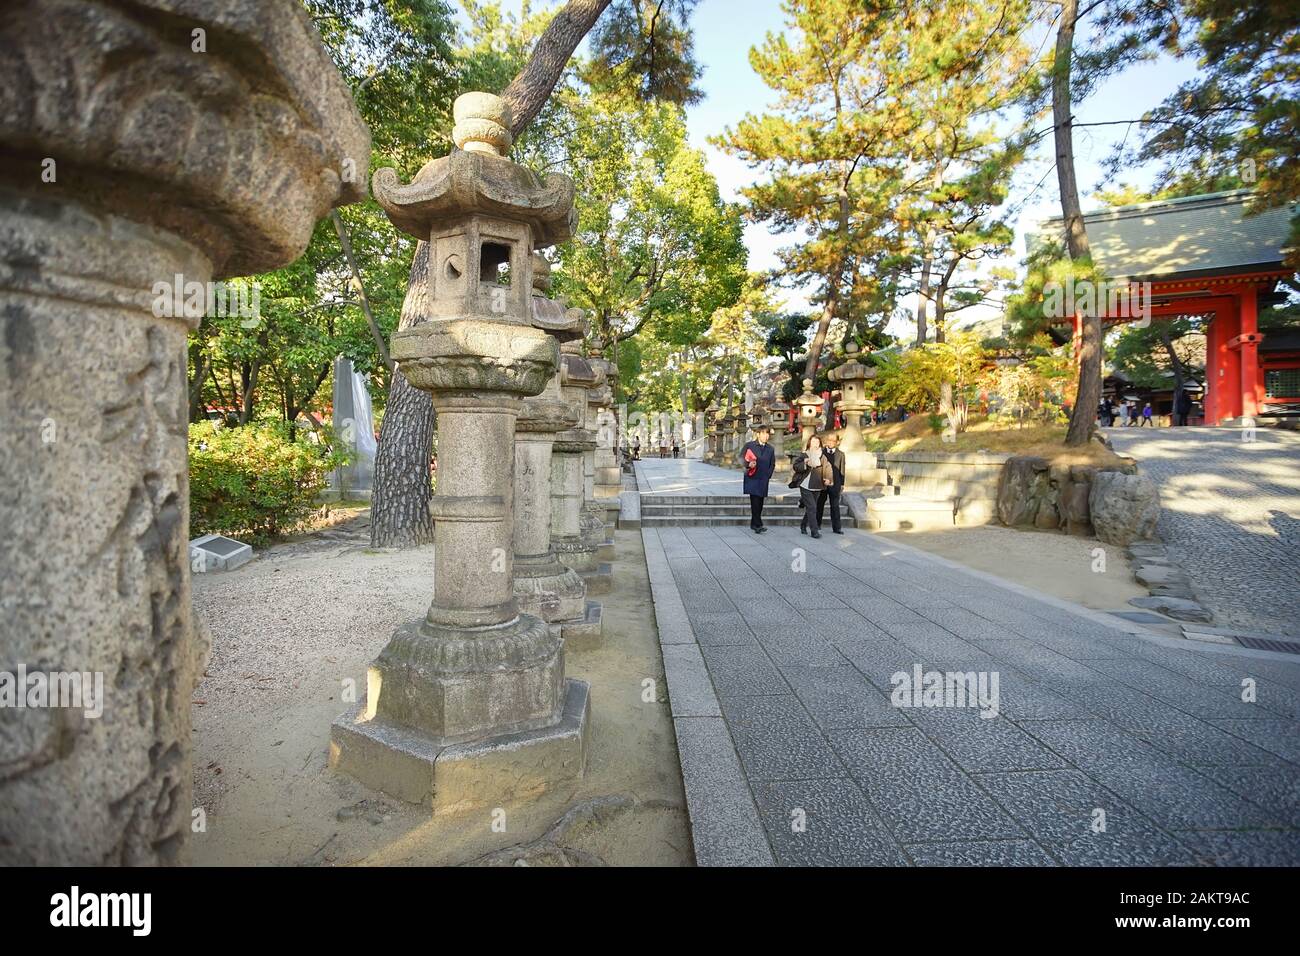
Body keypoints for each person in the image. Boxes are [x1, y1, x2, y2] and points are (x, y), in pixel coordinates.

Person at [790, 434, 832, 539]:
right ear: (809, 443)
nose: (815, 444)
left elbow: (828, 468)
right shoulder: (805, 454)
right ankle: (814, 531)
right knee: (812, 507)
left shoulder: (822, 456)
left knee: (811, 508)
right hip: (805, 485)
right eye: (813, 442)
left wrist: (828, 478)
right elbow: (795, 466)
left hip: (817, 485)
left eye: (817, 442)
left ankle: (803, 525)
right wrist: (804, 463)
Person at [741, 424, 776, 534]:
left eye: (768, 434)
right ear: (758, 434)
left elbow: (772, 464)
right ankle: (758, 525)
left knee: (760, 502)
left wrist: (768, 475)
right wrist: (748, 464)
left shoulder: (770, 449)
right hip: (752, 477)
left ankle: (753, 523)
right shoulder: (749, 446)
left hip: (763, 479)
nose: (766, 436)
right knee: (755, 501)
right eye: (764, 433)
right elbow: (740, 458)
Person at [816, 432, 846, 534]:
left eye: (833, 440)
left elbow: (842, 470)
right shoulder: (821, 452)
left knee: (835, 506)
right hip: (822, 483)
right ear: (826, 441)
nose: (831, 442)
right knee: (819, 504)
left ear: (837, 442)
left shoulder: (841, 454)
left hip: (835, 484)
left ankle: (837, 528)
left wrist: (842, 484)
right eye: (829, 440)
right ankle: (817, 524)